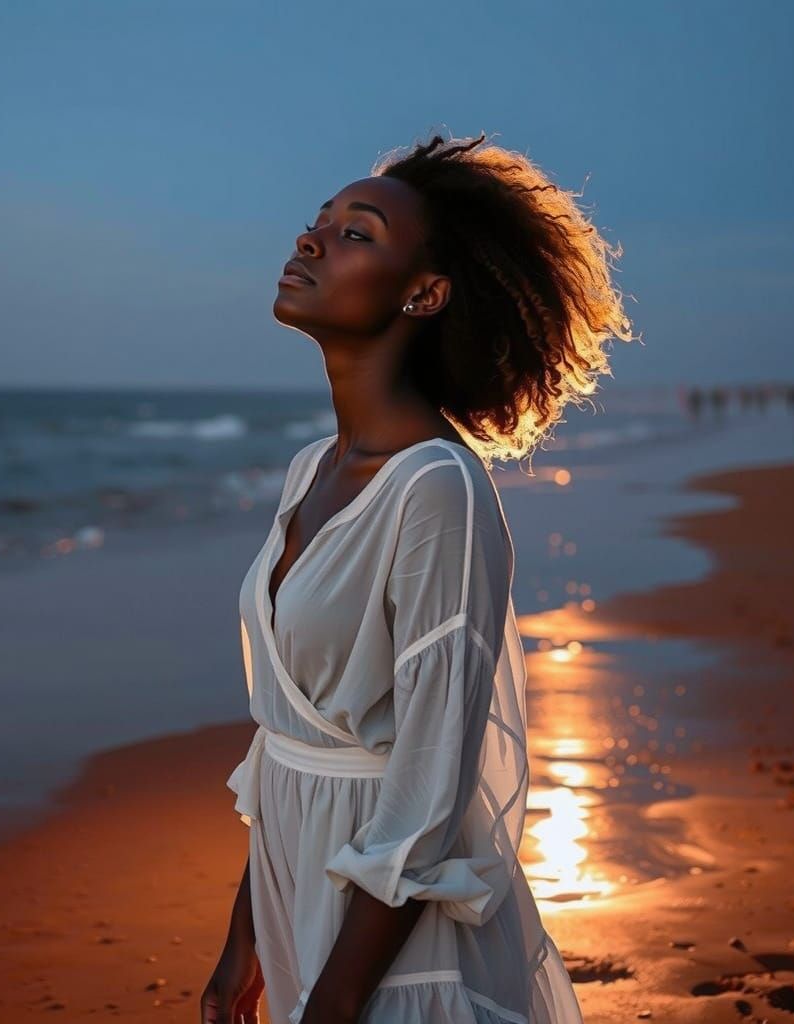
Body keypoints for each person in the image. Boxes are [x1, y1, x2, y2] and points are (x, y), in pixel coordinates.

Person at [201, 131, 634, 1024]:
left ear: (424, 292)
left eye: (356, 233)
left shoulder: (438, 490)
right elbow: (287, 739)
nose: (311, 241)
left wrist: (337, 1003)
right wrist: (243, 941)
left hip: (388, 940)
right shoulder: (309, 471)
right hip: (296, 898)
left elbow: (432, 781)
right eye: (317, 223)